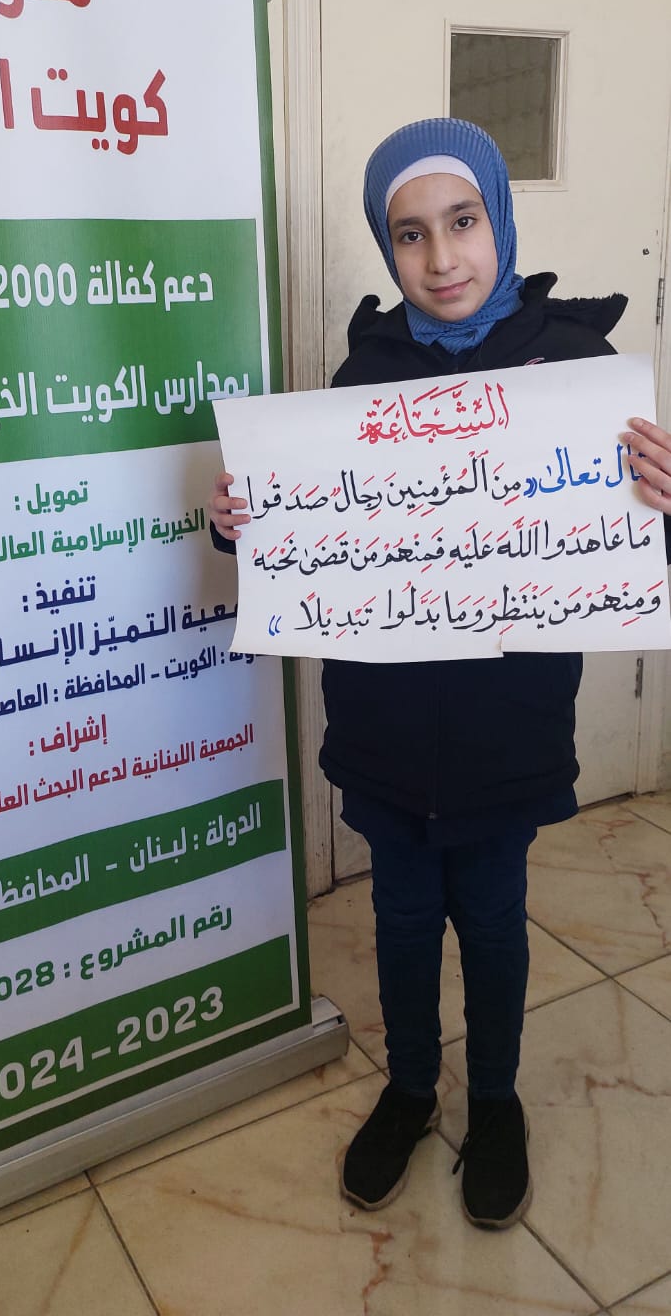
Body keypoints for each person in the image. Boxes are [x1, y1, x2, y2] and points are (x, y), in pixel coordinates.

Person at [209, 116, 671, 1231]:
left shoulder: (576, 367)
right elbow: (316, 524)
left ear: (498, 219)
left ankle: (495, 1101)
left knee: (496, 920)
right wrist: (244, 527)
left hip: (506, 731)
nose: (441, 256)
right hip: (382, 731)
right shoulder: (362, 374)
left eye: (461, 221)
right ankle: (412, 1087)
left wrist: (661, 500)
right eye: (409, 233)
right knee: (405, 917)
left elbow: (620, 545)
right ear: (387, 247)